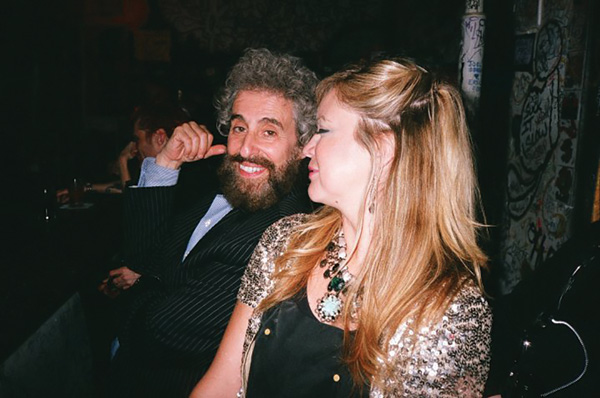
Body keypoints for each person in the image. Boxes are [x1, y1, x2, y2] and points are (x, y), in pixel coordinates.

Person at [192, 57, 492, 397]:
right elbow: (222, 382)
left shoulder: (448, 309)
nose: (307, 148)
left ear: (383, 149)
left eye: (323, 130)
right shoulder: (285, 243)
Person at [108, 48, 317, 398]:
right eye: (239, 127)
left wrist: (137, 286)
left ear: (303, 145)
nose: (246, 147)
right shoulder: (223, 184)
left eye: (269, 132)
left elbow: (162, 333)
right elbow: (144, 256)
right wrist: (165, 165)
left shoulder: (281, 232)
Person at [56, 103, 189, 203]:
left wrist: (122, 162)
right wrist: (83, 189)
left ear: (159, 137)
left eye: (137, 139)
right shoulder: (159, 172)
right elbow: (129, 187)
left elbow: (134, 206)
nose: (134, 146)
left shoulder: (178, 177)